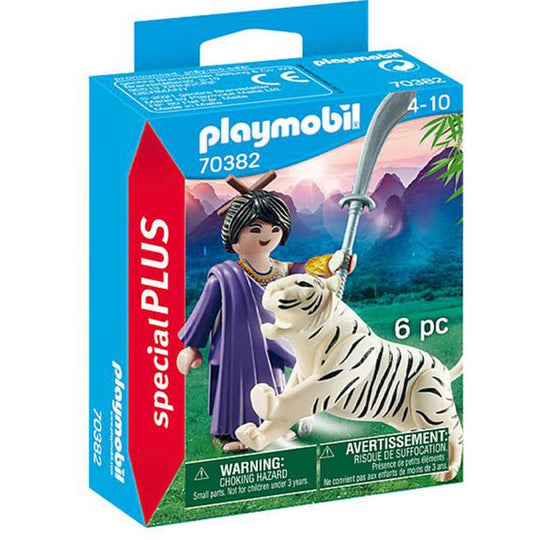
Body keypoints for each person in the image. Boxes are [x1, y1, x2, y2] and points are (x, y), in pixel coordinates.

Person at [177, 190, 354, 452]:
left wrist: (333, 263)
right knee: (234, 390)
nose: (266, 235)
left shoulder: (281, 270)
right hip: (234, 350)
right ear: (234, 234)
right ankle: (228, 434)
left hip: (272, 343)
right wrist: (192, 347)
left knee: (274, 385)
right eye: (256, 229)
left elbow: (305, 270)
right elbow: (206, 310)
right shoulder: (224, 276)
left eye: (274, 228)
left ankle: (273, 428)